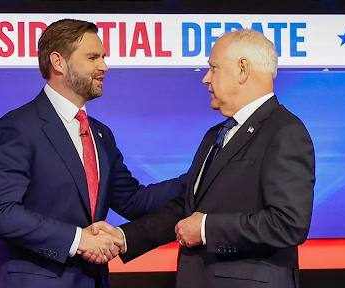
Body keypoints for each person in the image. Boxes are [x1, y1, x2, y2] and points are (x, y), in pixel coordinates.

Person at [88, 29, 315, 288]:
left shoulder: (284, 131)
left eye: (214, 68)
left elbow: (289, 224)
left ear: (242, 69)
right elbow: (184, 207)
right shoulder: (215, 135)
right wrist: (123, 237)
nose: (206, 79)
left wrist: (207, 228)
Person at [0, 19, 184, 288]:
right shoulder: (18, 128)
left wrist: (202, 177)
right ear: (58, 62)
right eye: (92, 57)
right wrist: (78, 239)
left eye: (103, 57)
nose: (104, 67)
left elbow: (133, 200)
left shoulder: (101, 134)